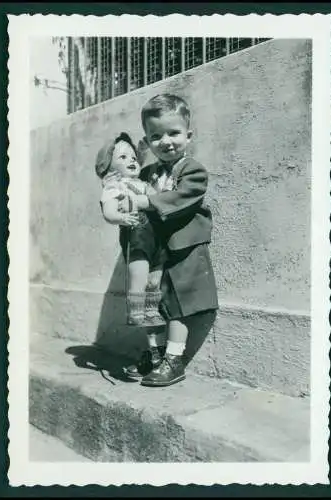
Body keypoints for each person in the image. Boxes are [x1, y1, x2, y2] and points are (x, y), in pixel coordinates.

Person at [120, 94, 219, 387]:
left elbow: (184, 196)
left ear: (188, 135)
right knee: (153, 303)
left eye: (174, 133)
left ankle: (175, 359)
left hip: (183, 249)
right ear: (148, 141)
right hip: (157, 250)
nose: (166, 141)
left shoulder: (193, 170)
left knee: (178, 304)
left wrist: (146, 201)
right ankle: (156, 353)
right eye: (156, 136)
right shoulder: (148, 173)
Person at [95, 132, 166, 327]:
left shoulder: (143, 184)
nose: (132, 160)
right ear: (109, 166)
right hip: (137, 231)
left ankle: (151, 311)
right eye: (123, 157)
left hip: (156, 233)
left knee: (155, 276)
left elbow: (157, 200)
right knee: (140, 271)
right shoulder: (115, 186)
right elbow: (108, 211)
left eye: (133, 157)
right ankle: (136, 312)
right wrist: (122, 217)